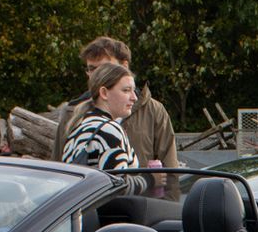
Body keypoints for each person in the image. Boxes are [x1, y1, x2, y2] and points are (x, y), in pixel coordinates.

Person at [53, 36, 181, 169]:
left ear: (124, 66)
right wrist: (151, 178)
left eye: (104, 67)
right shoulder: (72, 113)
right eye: (91, 69)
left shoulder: (153, 111)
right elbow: (56, 170)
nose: (96, 74)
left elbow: (171, 167)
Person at [60, 63, 143, 192]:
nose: (134, 97)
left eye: (134, 90)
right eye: (126, 90)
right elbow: (118, 187)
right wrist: (151, 180)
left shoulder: (79, 127)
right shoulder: (109, 130)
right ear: (104, 93)